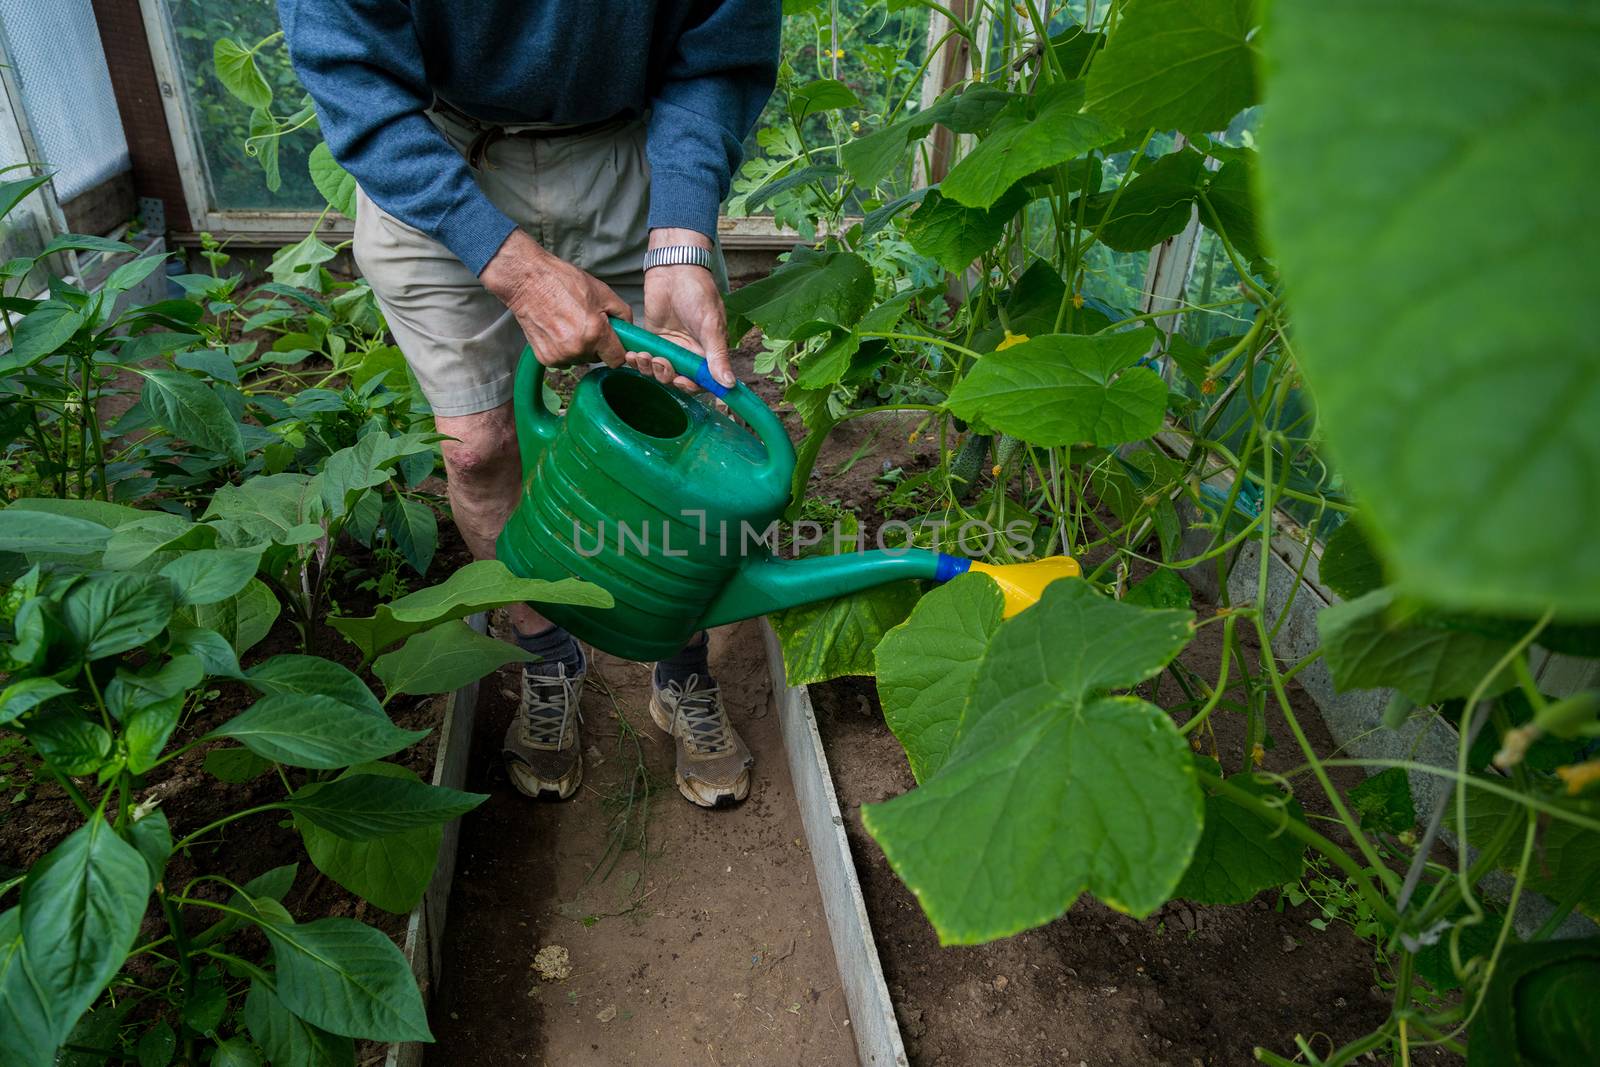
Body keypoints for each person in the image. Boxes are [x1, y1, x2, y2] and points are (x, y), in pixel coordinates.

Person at [280, 0, 782, 808]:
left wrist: (683, 231)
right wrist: (508, 265)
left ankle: (682, 668)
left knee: (676, 439)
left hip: (630, 153)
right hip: (436, 161)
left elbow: (722, 46)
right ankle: (547, 654)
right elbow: (352, 77)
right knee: (479, 449)